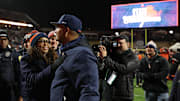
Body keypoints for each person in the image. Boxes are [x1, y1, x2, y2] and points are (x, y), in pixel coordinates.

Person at [50, 14, 99, 101]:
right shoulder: (68, 51)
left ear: (66, 30)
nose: (55, 31)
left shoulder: (83, 54)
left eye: (57, 28)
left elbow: (89, 93)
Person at [20, 32, 63, 101]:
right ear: (35, 44)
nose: (45, 44)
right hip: (34, 97)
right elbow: (32, 79)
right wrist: (52, 68)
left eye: (47, 41)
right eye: (42, 41)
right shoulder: (27, 59)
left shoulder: (53, 57)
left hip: (50, 96)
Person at [99, 34, 139, 101]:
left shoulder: (132, 57)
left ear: (128, 44)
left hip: (123, 95)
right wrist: (101, 59)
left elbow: (124, 69)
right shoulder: (114, 55)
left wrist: (106, 58)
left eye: (121, 43)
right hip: (109, 93)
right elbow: (102, 71)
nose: (118, 45)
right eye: (117, 43)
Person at [0, 31, 20, 101]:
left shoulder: (14, 55)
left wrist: (20, 93)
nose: (2, 42)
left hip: (10, 91)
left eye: (4, 39)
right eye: (0, 39)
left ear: (8, 41)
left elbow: (18, 74)